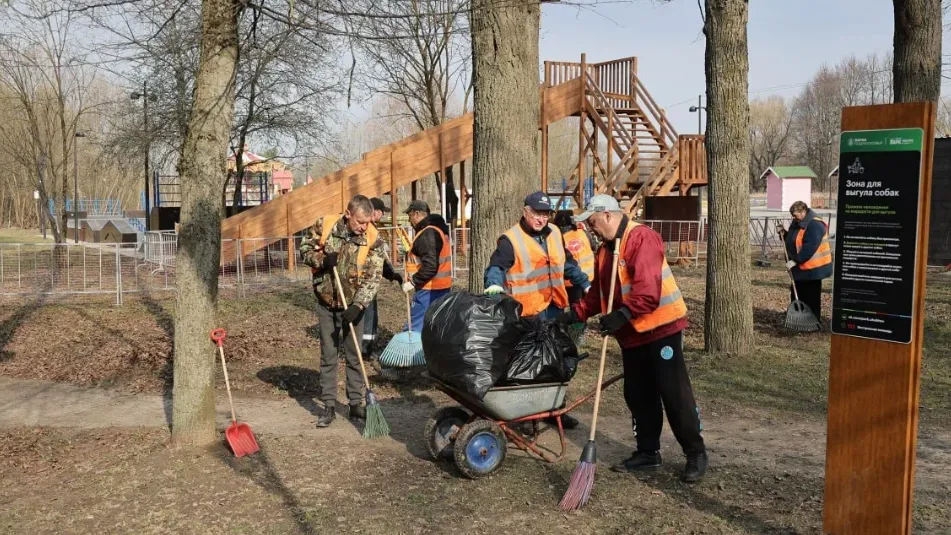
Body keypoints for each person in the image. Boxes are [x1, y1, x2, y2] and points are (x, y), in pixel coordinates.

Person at [557, 194, 708, 483]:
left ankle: (695, 452)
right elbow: (597, 296)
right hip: (632, 336)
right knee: (638, 395)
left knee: (674, 393)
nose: (590, 228)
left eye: (592, 222)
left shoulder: (641, 239)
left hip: (661, 329)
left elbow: (648, 292)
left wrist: (621, 315)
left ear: (608, 216)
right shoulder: (604, 251)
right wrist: (572, 315)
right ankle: (648, 452)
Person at [484, 192, 591, 430]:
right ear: (525, 211)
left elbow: (568, 264)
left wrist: (585, 283)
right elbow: (496, 267)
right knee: (529, 362)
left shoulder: (554, 234)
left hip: (554, 309)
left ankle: (555, 409)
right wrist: (493, 283)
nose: (541, 219)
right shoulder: (510, 240)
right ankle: (525, 411)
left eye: (545, 214)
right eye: (537, 213)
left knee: (557, 359)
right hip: (528, 314)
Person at [299, 195, 388, 428]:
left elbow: (373, 276)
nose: (363, 227)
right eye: (360, 222)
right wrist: (321, 260)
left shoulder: (372, 238)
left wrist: (359, 306)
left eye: (367, 222)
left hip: (353, 306)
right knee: (329, 355)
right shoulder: (324, 225)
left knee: (354, 356)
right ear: (348, 214)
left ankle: (356, 403)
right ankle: (328, 405)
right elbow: (304, 248)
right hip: (326, 300)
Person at [361, 197, 406, 358]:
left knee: (367, 315)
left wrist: (392, 275)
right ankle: (364, 350)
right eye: (382, 213)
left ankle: (363, 348)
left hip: (363, 280)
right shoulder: (370, 230)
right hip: (366, 282)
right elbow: (379, 259)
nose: (382, 216)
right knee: (368, 316)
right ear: (375, 212)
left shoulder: (363, 228)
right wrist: (392, 274)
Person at [401, 200, 453, 330]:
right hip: (441, 288)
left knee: (415, 328)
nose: (409, 219)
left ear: (417, 213)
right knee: (434, 327)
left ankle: (412, 350)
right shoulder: (438, 230)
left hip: (428, 289)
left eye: (410, 215)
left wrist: (412, 282)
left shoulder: (428, 233)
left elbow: (430, 266)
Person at [780, 200, 833, 320]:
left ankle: (813, 319)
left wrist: (795, 260)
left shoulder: (815, 225)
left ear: (804, 212)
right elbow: (794, 238)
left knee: (810, 296)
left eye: (796, 216)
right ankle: (798, 316)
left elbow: (809, 248)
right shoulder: (797, 222)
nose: (794, 218)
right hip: (801, 267)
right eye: (793, 216)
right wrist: (783, 234)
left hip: (814, 269)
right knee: (797, 293)